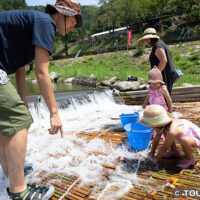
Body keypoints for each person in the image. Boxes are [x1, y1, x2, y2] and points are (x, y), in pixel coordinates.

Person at [0, 0, 82, 199]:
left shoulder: (34, 25)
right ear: (61, 14)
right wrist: (54, 113)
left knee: (9, 123)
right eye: (74, 21)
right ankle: (19, 191)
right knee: (19, 122)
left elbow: (20, 66)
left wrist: (22, 100)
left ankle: (11, 174)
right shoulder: (46, 23)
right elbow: (42, 73)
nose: (74, 27)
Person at [140, 105, 200, 169]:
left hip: (197, 139)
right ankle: (174, 152)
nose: (152, 129)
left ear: (157, 126)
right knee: (167, 134)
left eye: (152, 127)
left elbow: (164, 148)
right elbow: (156, 139)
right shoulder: (164, 126)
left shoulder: (172, 131)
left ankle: (189, 159)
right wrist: (151, 152)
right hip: (189, 138)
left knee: (184, 141)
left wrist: (157, 158)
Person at [138, 28, 176, 95]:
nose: (145, 43)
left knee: (162, 98)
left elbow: (163, 61)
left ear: (149, 39)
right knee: (163, 97)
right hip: (165, 74)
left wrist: (155, 76)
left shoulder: (158, 46)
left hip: (164, 75)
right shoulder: (161, 44)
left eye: (145, 41)